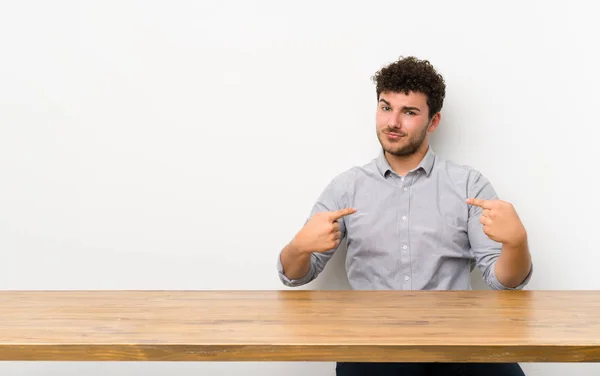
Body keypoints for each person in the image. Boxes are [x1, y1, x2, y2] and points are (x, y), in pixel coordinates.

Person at [276, 56, 533, 376]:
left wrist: (516, 244)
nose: (392, 122)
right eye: (386, 108)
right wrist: (299, 246)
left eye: (409, 112)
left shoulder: (468, 185)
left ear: (433, 121)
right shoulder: (346, 187)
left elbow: (504, 282)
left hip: (458, 342)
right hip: (373, 346)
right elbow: (295, 275)